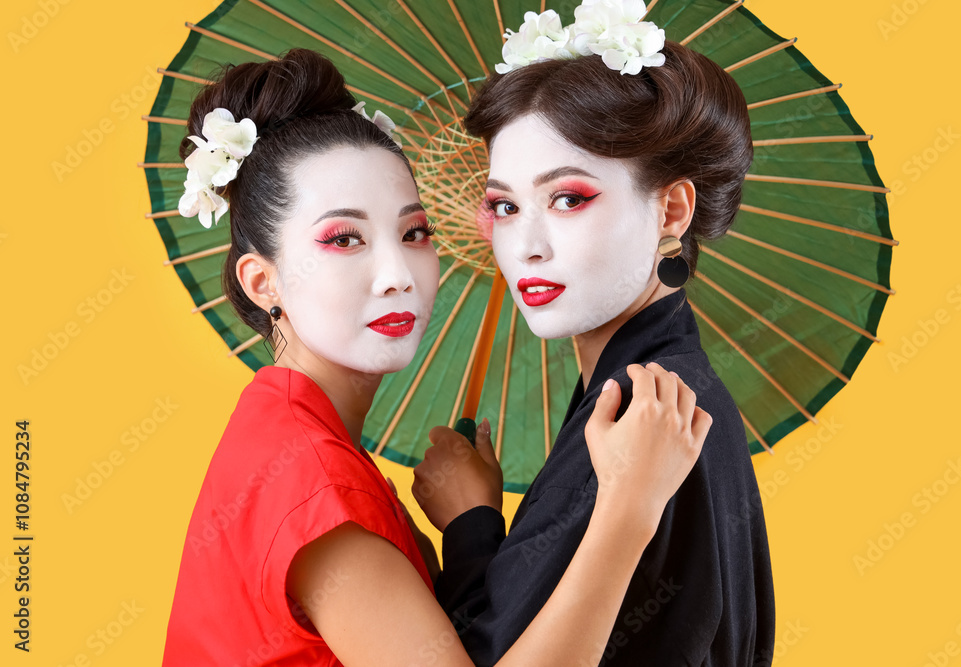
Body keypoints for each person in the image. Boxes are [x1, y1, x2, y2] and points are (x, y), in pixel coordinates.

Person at [161, 47, 712, 666]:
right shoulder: (311, 485)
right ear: (263, 282)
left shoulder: (293, 436)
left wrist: (470, 527)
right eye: (345, 239)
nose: (397, 275)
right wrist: (629, 511)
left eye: (414, 233)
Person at [412, 5, 776, 666]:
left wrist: (470, 526)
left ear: (671, 209)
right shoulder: (666, 386)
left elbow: (486, 654)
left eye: (569, 198)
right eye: (504, 205)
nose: (525, 246)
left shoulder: (640, 411)